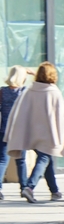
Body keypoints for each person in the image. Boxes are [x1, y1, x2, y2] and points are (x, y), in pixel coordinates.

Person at [4, 62, 64, 203]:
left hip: (31, 134)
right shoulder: (54, 91)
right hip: (49, 134)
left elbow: (18, 112)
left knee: (47, 160)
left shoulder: (29, 91)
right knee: (44, 159)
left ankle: (55, 191)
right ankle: (30, 186)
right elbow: (63, 115)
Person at [0, 66, 31, 200]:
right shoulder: (24, 91)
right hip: (20, 130)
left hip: (4, 129)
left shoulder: (2, 91)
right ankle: (24, 187)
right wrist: (32, 72)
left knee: (2, 160)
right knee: (21, 160)